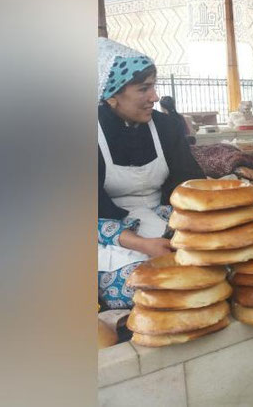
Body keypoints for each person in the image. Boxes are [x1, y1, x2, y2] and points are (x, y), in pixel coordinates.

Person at [97, 38, 205, 309]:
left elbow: (190, 184)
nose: (154, 97)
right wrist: (143, 245)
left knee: (208, 275)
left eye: (153, 87)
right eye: (144, 88)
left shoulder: (165, 127)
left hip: (162, 221)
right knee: (147, 292)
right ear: (112, 94)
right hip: (109, 237)